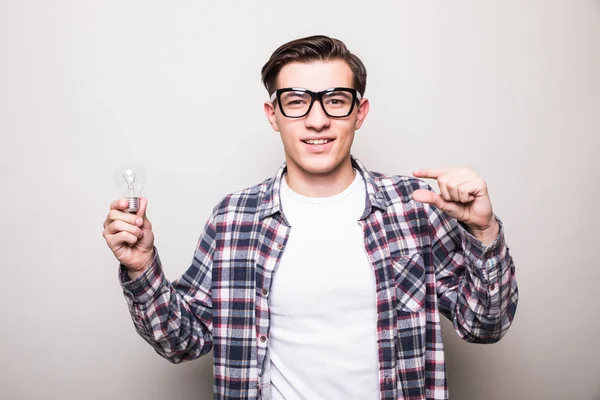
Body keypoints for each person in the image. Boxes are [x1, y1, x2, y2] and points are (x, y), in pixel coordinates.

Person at [102, 35, 518, 400]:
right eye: (297, 102)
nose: (317, 120)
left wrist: (483, 231)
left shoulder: (414, 208)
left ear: (360, 112)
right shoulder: (234, 218)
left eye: (335, 101)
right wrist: (141, 268)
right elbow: (183, 341)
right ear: (273, 115)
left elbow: (485, 324)